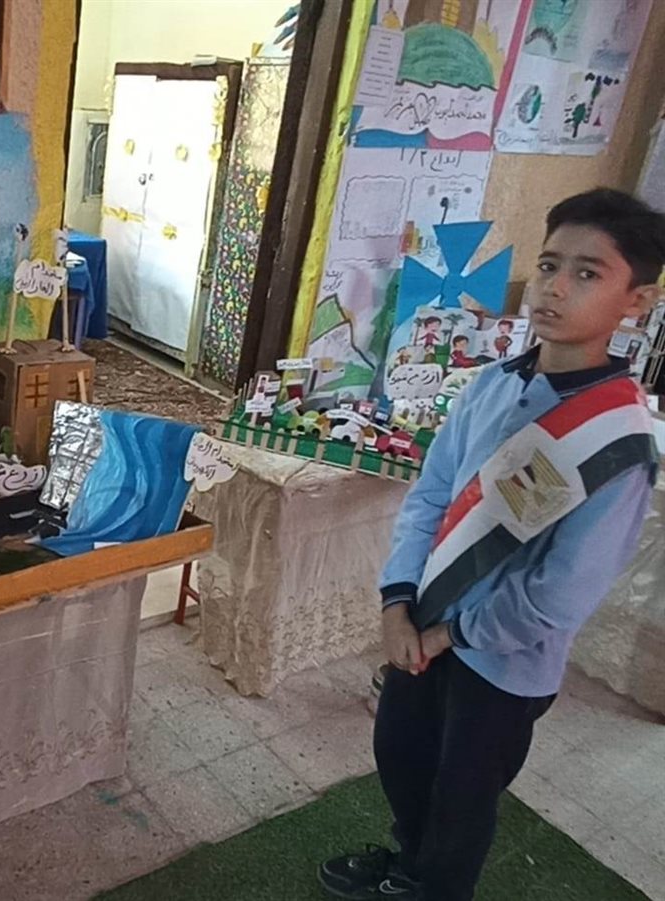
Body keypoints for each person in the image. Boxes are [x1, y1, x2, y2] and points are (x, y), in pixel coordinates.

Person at [318, 189, 664, 901]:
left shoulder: (618, 444)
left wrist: (448, 633)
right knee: (401, 754)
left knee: (463, 796)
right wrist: (397, 603)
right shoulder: (491, 386)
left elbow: (559, 594)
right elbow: (430, 496)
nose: (555, 287)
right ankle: (410, 865)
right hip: (423, 622)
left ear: (638, 300)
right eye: (550, 264)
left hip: (504, 663)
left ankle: (437, 886)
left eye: (588, 273)